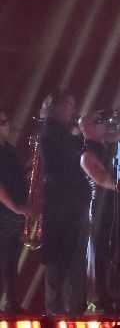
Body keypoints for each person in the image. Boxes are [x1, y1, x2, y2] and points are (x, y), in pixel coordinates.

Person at [78, 111, 120, 315]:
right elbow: (101, 179)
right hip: (103, 209)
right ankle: (102, 301)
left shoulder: (108, 146)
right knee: (103, 254)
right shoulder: (87, 154)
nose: (104, 123)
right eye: (98, 122)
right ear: (87, 129)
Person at [37, 91, 91, 316]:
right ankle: (60, 311)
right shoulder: (51, 133)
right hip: (61, 206)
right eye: (69, 105)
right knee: (61, 259)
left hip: (68, 205)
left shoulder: (63, 134)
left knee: (69, 258)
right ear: (56, 107)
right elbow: (65, 165)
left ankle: (68, 309)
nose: (73, 110)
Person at [0, 111, 31, 315]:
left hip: (14, 215)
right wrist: (15, 207)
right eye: (2, 122)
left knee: (11, 261)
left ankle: (12, 303)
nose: (7, 125)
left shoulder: (9, 150)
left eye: (6, 121)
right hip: (4, 213)